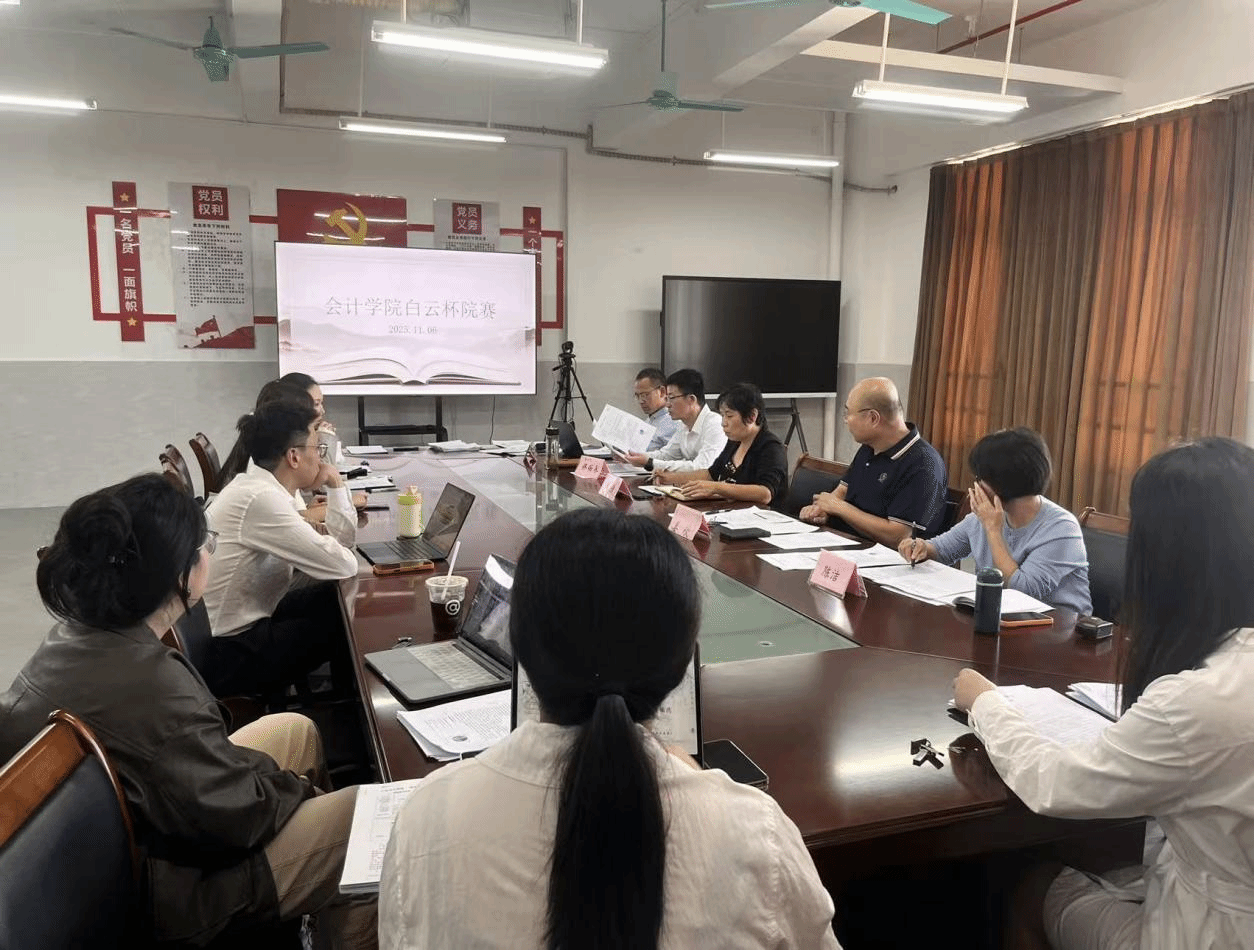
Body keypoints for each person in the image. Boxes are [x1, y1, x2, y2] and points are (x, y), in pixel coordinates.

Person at [379, 509, 840, 949]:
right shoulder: (757, 834)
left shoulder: (427, 816)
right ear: (681, 665)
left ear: (519, 647)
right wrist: (697, 780)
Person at [0, 474, 376, 948]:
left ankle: (309, 907)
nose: (210, 553)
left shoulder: (77, 635)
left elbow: (195, 770)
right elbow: (236, 817)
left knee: (293, 730)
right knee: (369, 825)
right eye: (207, 544)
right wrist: (296, 790)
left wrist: (275, 786)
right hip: (175, 892)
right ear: (179, 572)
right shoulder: (154, 685)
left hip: (133, 842)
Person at [951, 437, 1254, 950]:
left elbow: (1056, 785)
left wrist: (986, 702)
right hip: (1204, 875)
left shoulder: (1195, 703)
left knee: (1032, 885)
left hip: (1214, 928)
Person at [200, 398, 359, 699]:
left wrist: (334, 488)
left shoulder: (259, 488)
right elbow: (344, 563)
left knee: (337, 599)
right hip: (228, 653)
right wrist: (336, 483)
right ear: (294, 456)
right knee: (345, 622)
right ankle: (349, 711)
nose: (321, 457)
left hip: (246, 623)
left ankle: (347, 699)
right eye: (317, 448)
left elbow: (341, 549)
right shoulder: (260, 499)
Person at [899, 428, 1091, 614]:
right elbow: (942, 550)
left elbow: (1022, 591)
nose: (976, 485)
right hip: (1001, 618)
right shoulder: (984, 516)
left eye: (980, 478)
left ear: (1001, 485)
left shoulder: (1062, 529)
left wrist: (993, 529)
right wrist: (921, 547)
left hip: (1059, 628)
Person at [800, 377, 947, 545]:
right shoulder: (870, 447)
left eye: (848, 413)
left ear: (873, 418)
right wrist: (821, 510)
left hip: (885, 556)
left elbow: (900, 536)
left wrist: (839, 508)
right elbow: (842, 490)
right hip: (846, 542)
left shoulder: (924, 464)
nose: (846, 420)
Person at [661, 382, 789, 509]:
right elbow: (711, 474)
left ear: (752, 416)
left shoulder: (771, 447)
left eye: (729, 415)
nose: (723, 423)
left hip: (763, 516)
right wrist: (670, 478)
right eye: (722, 415)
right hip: (732, 512)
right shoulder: (735, 442)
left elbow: (765, 493)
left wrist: (716, 487)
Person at [619, 368, 727, 475]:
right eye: (667, 399)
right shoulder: (683, 425)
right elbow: (667, 455)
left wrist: (650, 463)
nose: (667, 404)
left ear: (691, 399)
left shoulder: (715, 424)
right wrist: (637, 456)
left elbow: (702, 467)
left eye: (671, 398)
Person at [634, 367, 679, 451]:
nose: (641, 401)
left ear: (662, 392)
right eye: (637, 396)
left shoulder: (674, 421)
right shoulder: (648, 421)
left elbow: (671, 456)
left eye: (645, 395)